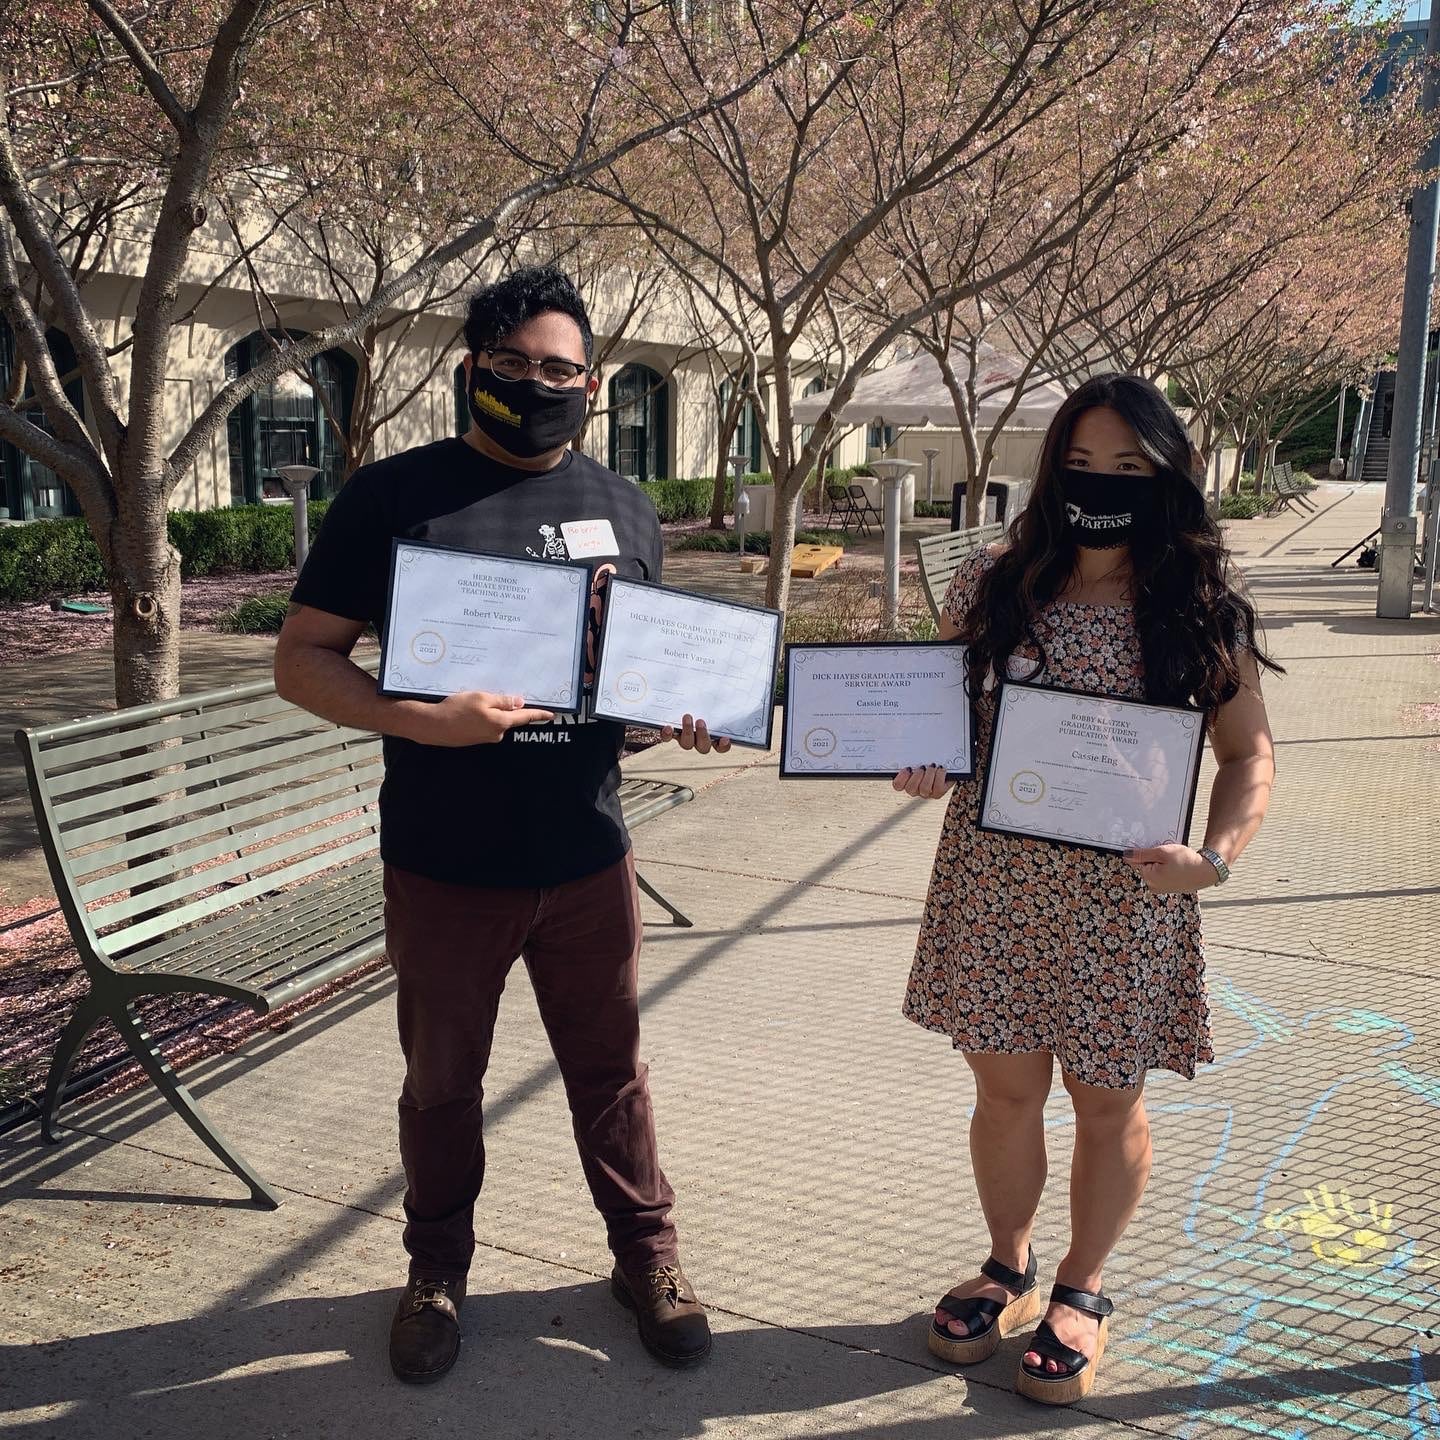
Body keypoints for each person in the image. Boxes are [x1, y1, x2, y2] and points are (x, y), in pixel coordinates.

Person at [275, 267, 724, 1384]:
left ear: (596, 381)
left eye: (561, 369)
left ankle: (646, 1258)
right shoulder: (392, 495)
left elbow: (624, 682)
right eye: (513, 365)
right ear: (471, 369)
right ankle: (435, 1270)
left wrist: (676, 721)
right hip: (444, 861)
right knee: (441, 1083)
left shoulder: (626, 504)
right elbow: (301, 660)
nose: (538, 385)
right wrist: (416, 721)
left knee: (612, 1074)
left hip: (586, 853)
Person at [893, 373, 1278, 1406]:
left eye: (1128, 469)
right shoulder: (992, 581)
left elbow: (1248, 758)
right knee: (1005, 1095)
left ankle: (1082, 1287)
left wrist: (1218, 856)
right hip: (994, 887)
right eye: (1080, 463)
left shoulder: (1198, 609)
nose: (1099, 485)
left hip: (1128, 906)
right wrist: (924, 758)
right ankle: (1009, 1266)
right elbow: (934, 712)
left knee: (1107, 1108)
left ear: (1170, 480)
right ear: (1051, 464)